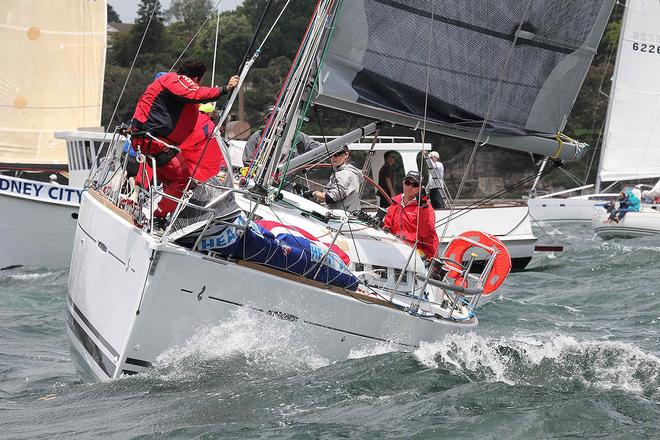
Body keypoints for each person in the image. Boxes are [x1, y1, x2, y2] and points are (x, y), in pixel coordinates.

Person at [130, 59, 239, 222]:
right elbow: (195, 94)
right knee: (181, 179)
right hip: (154, 141)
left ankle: (151, 209)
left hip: (153, 141)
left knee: (170, 181)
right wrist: (225, 89)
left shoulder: (172, 82)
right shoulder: (177, 80)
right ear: (196, 78)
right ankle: (158, 218)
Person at [383, 171, 438, 260]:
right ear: (403, 183)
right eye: (407, 183)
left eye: (415, 184)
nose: (410, 187)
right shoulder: (395, 204)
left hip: (422, 253)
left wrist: (422, 206)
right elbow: (387, 227)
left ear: (420, 188)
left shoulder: (427, 207)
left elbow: (424, 232)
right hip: (400, 248)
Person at [242, 106, 321, 167]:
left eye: (278, 117)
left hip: (289, 178)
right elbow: (247, 160)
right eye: (272, 117)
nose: (275, 120)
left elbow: (316, 148)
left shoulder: (296, 135)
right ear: (266, 119)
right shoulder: (257, 136)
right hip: (261, 178)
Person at [312, 145, 363, 212]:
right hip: (348, 215)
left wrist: (314, 193)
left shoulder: (344, 174)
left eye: (336, 154)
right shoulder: (351, 172)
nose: (333, 158)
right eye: (330, 155)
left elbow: (331, 198)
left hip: (341, 217)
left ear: (346, 155)